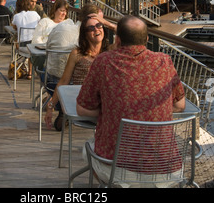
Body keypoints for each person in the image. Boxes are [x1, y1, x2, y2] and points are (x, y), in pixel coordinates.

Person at [76, 15, 185, 184]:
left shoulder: (103, 62)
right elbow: (180, 105)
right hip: (166, 170)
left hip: (118, 170)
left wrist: (112, 109)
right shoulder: (164, 61)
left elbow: (82, 108)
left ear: (117, 40)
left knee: (86, 149)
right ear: (147, 39)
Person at [45, 15, 109, 131]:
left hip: (103, 102)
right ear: (85, 34)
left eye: (99, 25)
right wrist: (50, 106)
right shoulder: (77, 54)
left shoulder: (110, 52)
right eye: (91, 28)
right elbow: (64, 81)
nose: (96, 29)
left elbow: (131, 34)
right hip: (83, 103)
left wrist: (107, 23)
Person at [12, 0, 41, 79]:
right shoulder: (35, 14)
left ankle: (22, 68)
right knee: (31, 49)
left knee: (17, 41)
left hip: (22, 47)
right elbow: (40, 24)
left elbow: (14, 27)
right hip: (34, 46)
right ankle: (30, 73)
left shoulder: (16, 16)